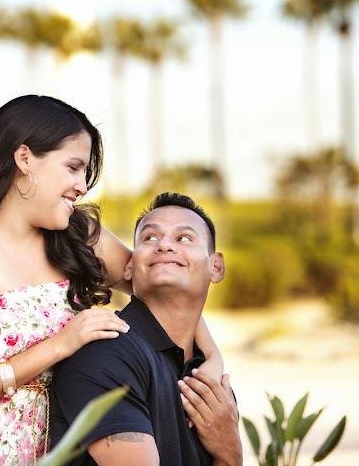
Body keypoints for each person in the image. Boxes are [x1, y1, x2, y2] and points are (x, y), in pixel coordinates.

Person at [0, 96, 223, 466]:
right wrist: (62, 344)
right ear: (25, 159)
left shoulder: (79, 235)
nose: (82, 186)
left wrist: (212, 356)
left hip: (46, 446)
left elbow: (163, 282)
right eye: (73, 167)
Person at [48, 192, 243, 466]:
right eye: (149, 238)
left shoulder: (210, 382)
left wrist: (229, 451)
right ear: (128, 267)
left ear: (216, 266)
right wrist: (231, 453)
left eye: (183, 238)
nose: (164, 245)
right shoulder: (106, 352)